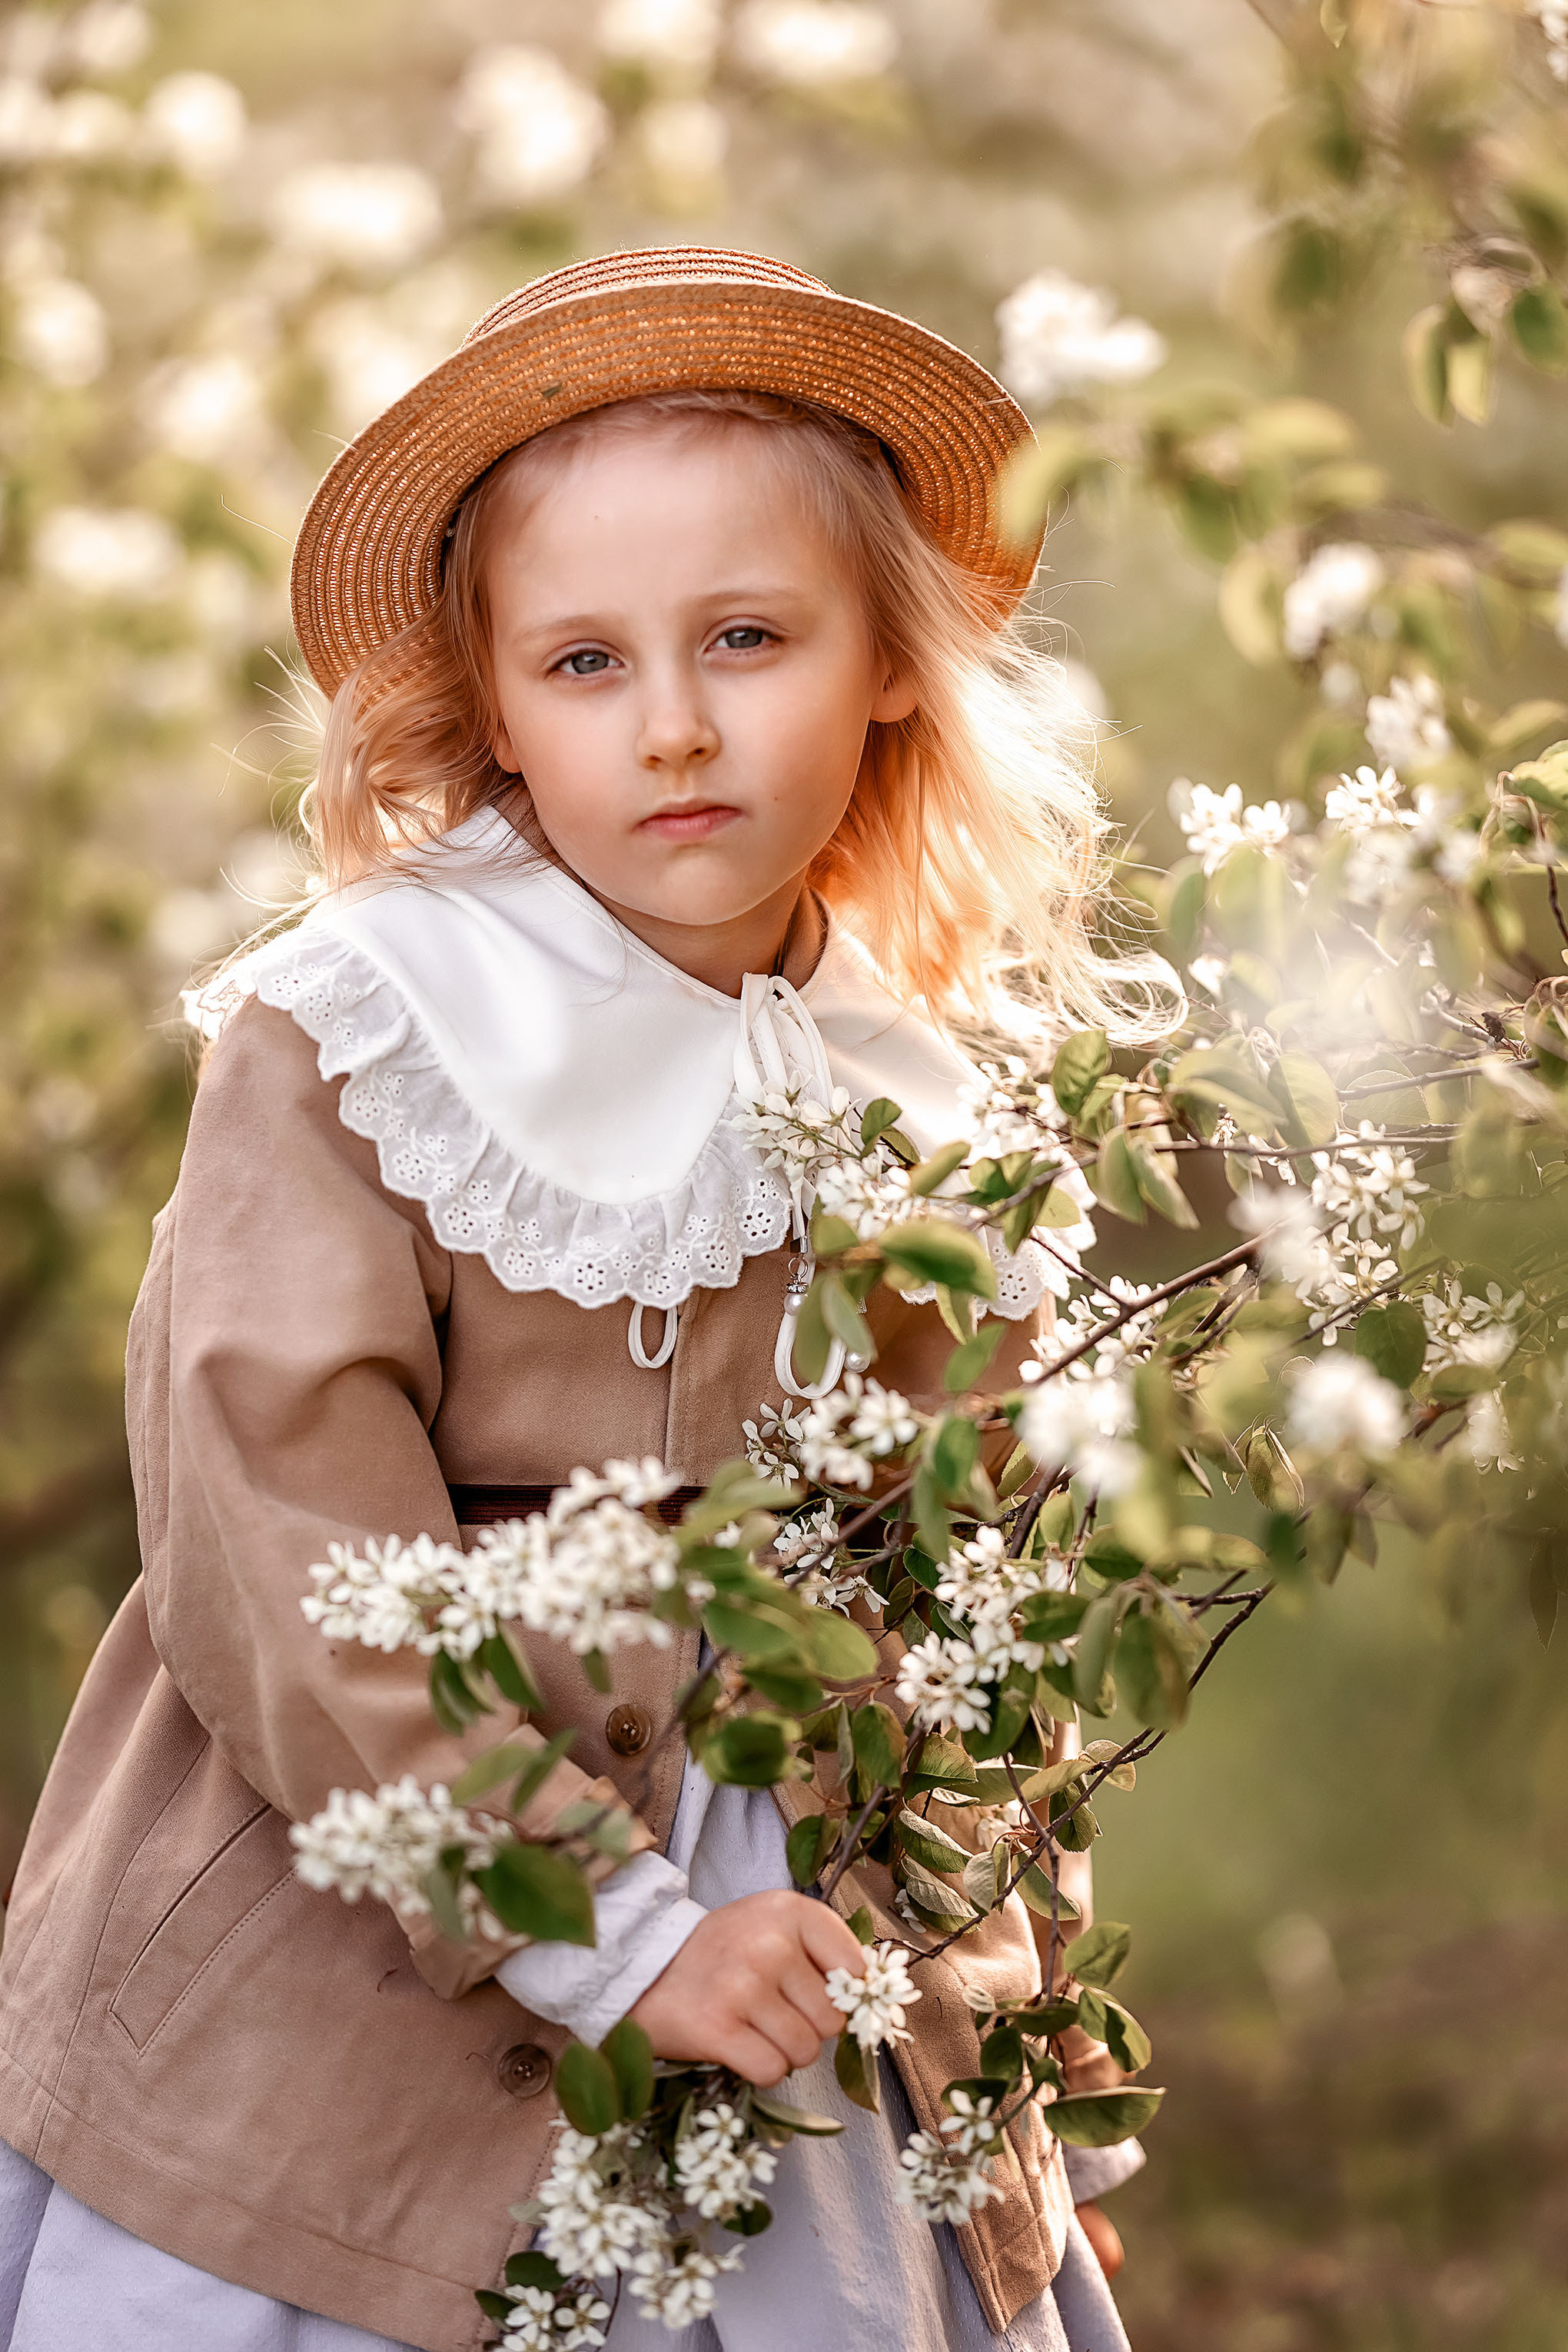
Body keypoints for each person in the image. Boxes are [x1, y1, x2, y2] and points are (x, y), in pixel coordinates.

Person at [0, 248, 1158, 2352]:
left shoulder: (925, 1103)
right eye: (587, 660)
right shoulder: (371, 1030)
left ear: (888, 659)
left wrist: (1017, 2046)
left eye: (747, 637)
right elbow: (283, 1535)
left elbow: (977, 1619)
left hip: (815, 1936)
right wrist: (607, 1924)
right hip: (379, 1902)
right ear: (496, 699)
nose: (679, 724)